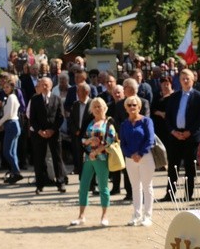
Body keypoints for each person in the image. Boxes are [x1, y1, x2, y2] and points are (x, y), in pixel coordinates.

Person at [70, 97, 117, 227]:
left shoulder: (108, 124)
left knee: (103, 187)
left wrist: (95, 152)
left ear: (104, 108)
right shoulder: (90, 123)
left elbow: (110, 142)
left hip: (101, 158)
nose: (97, 109)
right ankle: (81, 216)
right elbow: (83, 140)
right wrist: (89, 141)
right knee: (84, 186)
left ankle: (104, 216)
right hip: (88, 158)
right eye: (94, 106)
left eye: (99, 106)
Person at [163, 69, 200, 202]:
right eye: (182, 78)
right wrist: (173, 131)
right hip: (175, 135)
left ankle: (188, 194)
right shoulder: (174, 97)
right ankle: (170, 194)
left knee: (189, 166)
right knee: (173, 166)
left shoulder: (199, 96)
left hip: (191, 136)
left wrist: (189, 132)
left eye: (188, 78)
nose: (185, 80)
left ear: (193, 80)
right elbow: (168, 117)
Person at [120, 95, 155, 227]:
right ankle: (136, 215)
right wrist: (130, 154)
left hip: (145, 157)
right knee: (135, 187)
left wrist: (140, 154)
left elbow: (150, 139)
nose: (132, 107)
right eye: (129, 105)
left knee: (147, 187)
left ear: (139, 107)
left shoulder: (146, 121)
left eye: (134, 105)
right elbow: (122, 143)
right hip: (130, 159)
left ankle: (148, 216)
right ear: (126, 108)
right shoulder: (124, 124)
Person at [29, 77, 68, 194]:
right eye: (41, 85)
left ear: (51, 86)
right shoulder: (35, 99)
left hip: (54, 134)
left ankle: (60, 183)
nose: (44, 87)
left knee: (57, 158)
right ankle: (39, 185)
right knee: (39, 159)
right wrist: (40, 131)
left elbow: (60, 117)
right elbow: (32, 118)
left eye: (46, 85)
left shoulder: (57, 99)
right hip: (39, 134)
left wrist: (52, 130)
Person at [0, 74, 23, 184]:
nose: (5, 89)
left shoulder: (12, 97)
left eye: (7, 87)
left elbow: (9, 114)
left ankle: (16, 171)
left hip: (11, 124)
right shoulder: (10, 97)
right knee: (12, 151)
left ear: (12, 87)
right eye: (4, 87)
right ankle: (15, 173)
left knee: (7, 151)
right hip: (12, 124)